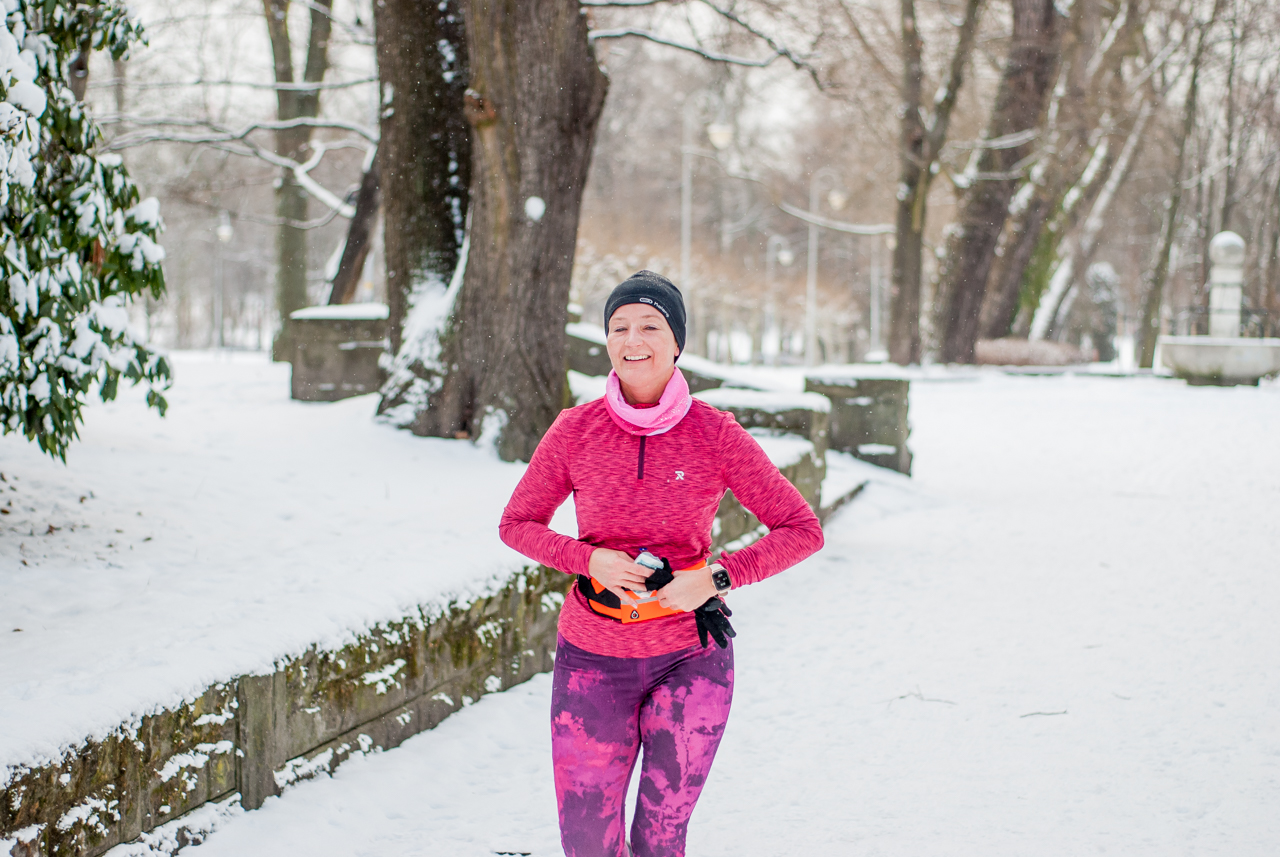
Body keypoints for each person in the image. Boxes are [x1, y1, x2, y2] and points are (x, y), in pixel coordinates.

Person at [499, 271, 823, 857]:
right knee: (587, 843)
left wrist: (718, 576)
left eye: (650, 325)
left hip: (690, 662)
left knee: (659, 839)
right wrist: (587, 558)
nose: (633, 339)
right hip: (593, 659)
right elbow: (515, 524)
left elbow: (802, 530)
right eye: (619, 327)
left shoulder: (715, 434)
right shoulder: (574, 431)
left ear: (677, 342)